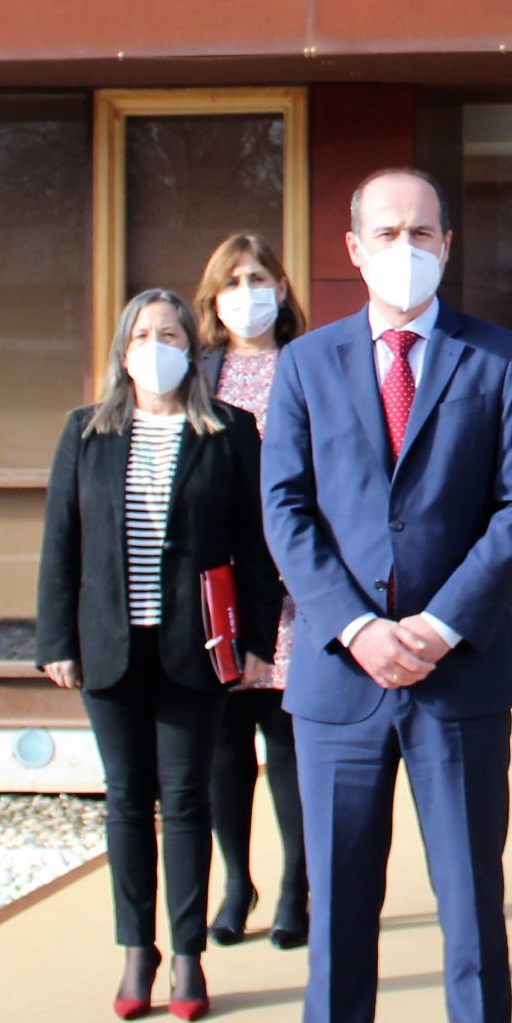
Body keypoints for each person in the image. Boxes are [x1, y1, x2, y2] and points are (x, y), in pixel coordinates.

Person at [260, 168, 512, 1023]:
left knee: (470, 900)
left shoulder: (499, 358)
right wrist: (354, 628)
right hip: (341, 683)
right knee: (339, 902)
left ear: (448, 243)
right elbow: (285, 509)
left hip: (456, 673)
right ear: (352, 248)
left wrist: (434, 624)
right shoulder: (305, 364)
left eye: (422, 231)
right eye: (386, 231)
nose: (406, 246)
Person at [36, 288, 282, 1023]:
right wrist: (56, 641)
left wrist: (257, 643)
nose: (156, 347)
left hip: (193, 649)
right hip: (108, 647)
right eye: (143, 335)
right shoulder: (87, 431)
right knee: (124, 800)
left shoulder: (228, 431)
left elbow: (256, 545)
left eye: (170, 334)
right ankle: (134, 951)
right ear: (122, 350)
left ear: (191, 348)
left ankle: (186, 954)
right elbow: (60, 543)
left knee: (185, 801)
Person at [193, 233, 311, 950]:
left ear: (282, 288)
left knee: (289, 738)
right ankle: (237, 884)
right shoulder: (196, 374)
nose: (247, 294)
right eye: (232, 282)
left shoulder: (310, 362)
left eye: (259, 278)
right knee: (224, 742)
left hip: (296, 579)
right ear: (213, 299)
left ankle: (298, 885)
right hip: (221, 583)